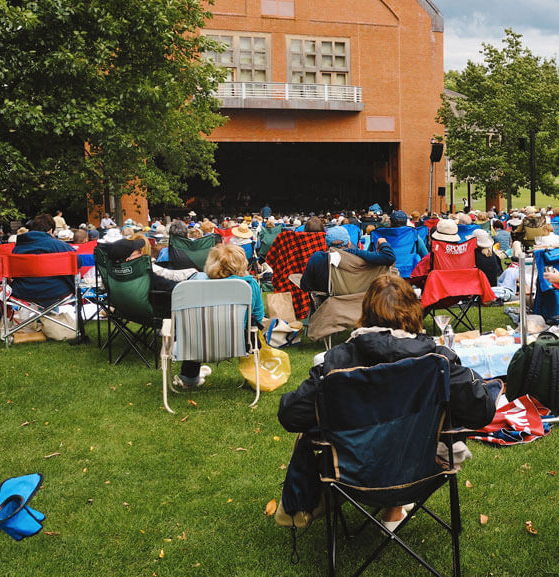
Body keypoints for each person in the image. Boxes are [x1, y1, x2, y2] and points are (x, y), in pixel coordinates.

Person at [275, 275, 497, 527]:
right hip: (422, 469)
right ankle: (394, 510)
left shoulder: (336, 363)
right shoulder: (438, 361)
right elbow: (482, 410)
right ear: (414, 311)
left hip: (353, 473)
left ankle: (367, 505)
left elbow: (291, 414)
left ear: (366, 311)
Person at [173, 244, 265, 390]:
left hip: (195, 344)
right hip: (238, 343)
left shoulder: (195, 283)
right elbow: (259, 316)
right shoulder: (249, 284)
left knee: (196, 329)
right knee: (253, 330)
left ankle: (188, 379)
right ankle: (252, 378)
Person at [299, 224, 395, 293]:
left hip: (328, 308)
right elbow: (389, 257)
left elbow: (305, 286)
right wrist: (382, 242)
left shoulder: (317, 258)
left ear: (326, 245)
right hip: (358, 304)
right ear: (349, 243)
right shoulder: (358, 254)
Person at [9, 214, 75, 305]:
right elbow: (77, 262)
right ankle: (53, 317)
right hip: (56, 290)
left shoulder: (17, 249)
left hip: (23, 291)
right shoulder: (59, 246)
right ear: (50, 231)